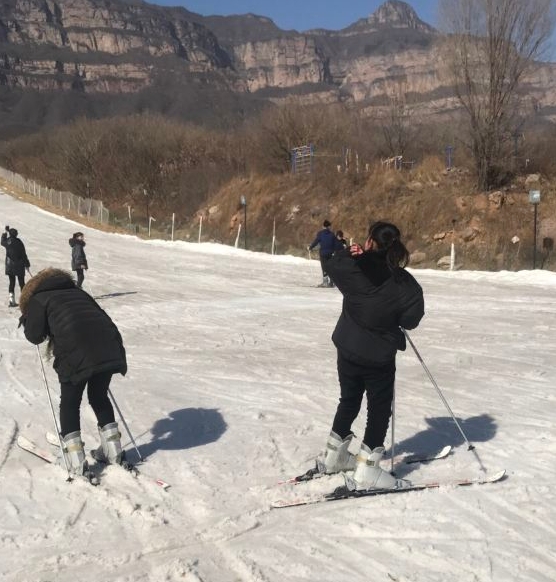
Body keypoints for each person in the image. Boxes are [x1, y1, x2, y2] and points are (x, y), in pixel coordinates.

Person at [318, 221, 425, 490]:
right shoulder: (405, 283)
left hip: (348, 349)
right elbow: (412, 319)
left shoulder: (355, 268)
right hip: (378, 356)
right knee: (377, 410)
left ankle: (334, 457)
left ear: (368, 242)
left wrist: (348, 253)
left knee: (349, 399)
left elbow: (331, 264)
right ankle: (367, 469)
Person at [19, 268, 128, 477]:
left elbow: (34, 336)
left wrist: (27, 320)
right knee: (99, 396)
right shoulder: (78, 292)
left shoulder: (39, 299)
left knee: (70, 402)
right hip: (109, 345)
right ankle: (113, 451)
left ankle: (75, 461)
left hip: (76, 352)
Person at [1, 226, 30, 307]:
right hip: (20, 266)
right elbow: (24, 254)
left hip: (10, 266)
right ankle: (25, 301)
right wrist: (27, 264)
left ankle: (11, 301)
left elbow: (2, 241)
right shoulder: (19, 242)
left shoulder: (8, 241)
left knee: (12, 282)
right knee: (22, 283)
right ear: (16, 234)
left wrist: (5, 232)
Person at [308, 220, 337, 287]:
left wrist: (311, 247)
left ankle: (325, 282)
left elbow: (316, 241)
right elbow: (335, 244)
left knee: (324, 267)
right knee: (330, 267)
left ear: (323, 226)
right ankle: (331, 282)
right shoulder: (332, 234)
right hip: (331, 253)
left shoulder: (320, 233)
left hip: (323, 253)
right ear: (329, 226)